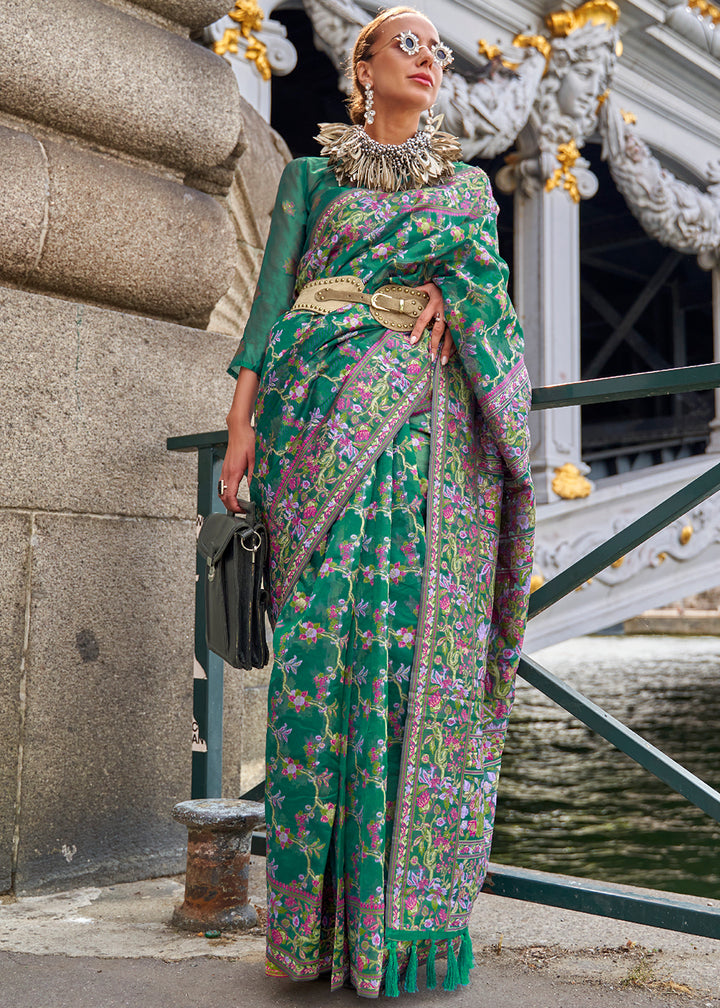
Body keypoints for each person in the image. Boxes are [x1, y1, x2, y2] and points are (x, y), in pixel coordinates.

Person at [218, 6, 535, 998]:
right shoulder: (312, 180)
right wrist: (240, 424)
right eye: (408, 43)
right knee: (315, 662)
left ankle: (393, 933)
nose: (429, 58)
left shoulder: (466, 190)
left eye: (438, 49)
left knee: (399, 654)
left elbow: (493, 304)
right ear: (362, 66)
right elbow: (270, 308)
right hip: (312, 423)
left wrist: (453, 298)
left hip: (416, 438)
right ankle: (307, 932)